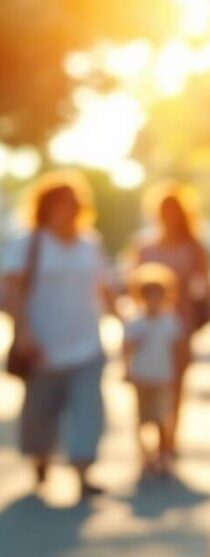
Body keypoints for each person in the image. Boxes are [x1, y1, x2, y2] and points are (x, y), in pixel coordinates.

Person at [1, 170, 117, 498]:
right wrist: (23, 332)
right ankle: (40, 461)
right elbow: (12, 291)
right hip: (42, 345)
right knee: (40, 411)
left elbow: (106, 287)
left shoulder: (89, 243)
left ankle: (83, 470)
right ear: (45, 207)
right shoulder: (29, 243)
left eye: (72, 204)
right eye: (59, 204)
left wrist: (123, 322)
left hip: (87, 342)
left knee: (88, 410)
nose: (66, 211)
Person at [131, 180, 210, 452]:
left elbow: (203, 285)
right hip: (149, 322)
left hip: (181, 322)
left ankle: (169, 436)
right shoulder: (145, 245)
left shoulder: (193, 247)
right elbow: (133, 284)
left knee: (176, 380)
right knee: (148, 379)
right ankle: (149, 432)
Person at [122, 263, 182, 474]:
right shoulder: (135, 322)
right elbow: (126, 347)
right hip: (142, 376)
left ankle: (163, 454)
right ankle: (145, 456)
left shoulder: (169, 321)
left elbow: (176, 348)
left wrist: (176, 372)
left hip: (162, 376)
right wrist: (126, 369)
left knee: (162, 417)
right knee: (142, 418)